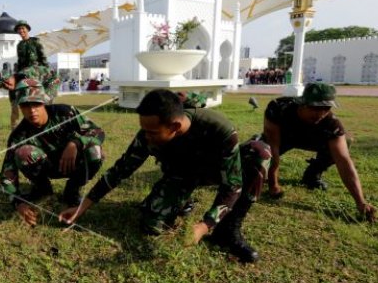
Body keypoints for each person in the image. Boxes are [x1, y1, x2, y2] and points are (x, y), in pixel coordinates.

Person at [60, 89, 271, 263]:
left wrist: (204, 225)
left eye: (152, 132)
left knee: (260, 153)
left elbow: (232, 186)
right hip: (182, 174)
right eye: (144, 130)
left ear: (175, 127)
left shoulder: (220, 130)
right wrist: (83, 207)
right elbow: (121, 169)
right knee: (152, 225)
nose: (146, 136)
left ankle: (228, 231)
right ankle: (181, 202)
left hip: (215, 170)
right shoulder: (148, 133)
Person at [262, 82, 377, 221]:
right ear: (302, 103)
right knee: (253, 152)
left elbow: (344, 162)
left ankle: (312, 175)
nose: (321, 113)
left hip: (313, 141)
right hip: (283, 138)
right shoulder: (279, 108)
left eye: (326, 108)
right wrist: (273, 183)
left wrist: (361, 202)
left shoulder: (332, 124)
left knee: (344, 143)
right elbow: (273, 144)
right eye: (315, 108)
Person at [0, 78, 105, 226]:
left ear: (43, 102)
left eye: (36, 103)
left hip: (73, 164)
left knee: (95, 151)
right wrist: (18, 203)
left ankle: (72, 190)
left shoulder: (65, 112)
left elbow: (98, 132)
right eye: (25, 105)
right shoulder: (18, 135)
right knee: (22, 152)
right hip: (46, 168)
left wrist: (75, 143)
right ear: (20, 107)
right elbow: (7, 173)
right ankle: (43, 189)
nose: (32, 110)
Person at [14, 20, 60, 102]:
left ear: (27, 29)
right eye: (19, 29)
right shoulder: (19, 45)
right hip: (26, 71)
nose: (21, 31)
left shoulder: (35, 41)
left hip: (37, 68)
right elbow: (20, 61)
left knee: (54, 78)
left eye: (22, 28)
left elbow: (43, 56)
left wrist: (47, 69)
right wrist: (17, 73)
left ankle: (47, 97)